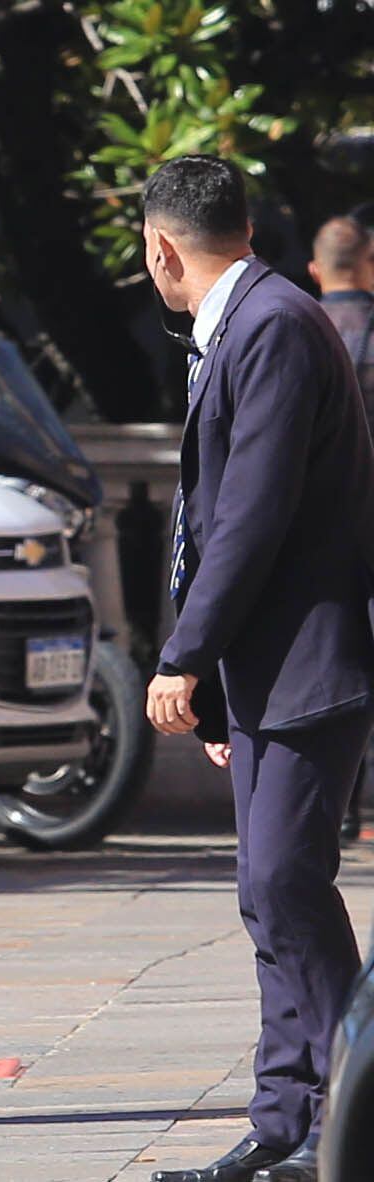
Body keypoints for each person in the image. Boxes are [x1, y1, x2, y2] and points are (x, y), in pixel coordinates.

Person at [143, 156, 374, 1182]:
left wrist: (183, 654)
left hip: (307, 660)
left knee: (285, 881)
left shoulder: (272, 325)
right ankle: (290, 1122)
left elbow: (252, 515)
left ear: (161, 248)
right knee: (269, 889)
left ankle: (341, 1115)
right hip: (268, 669)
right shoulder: (251, 322)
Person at [309, 214, 374, 847]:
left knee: (334, 669)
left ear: (314, 268)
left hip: (324, 534)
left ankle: (341, 807)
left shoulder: (297, 330)